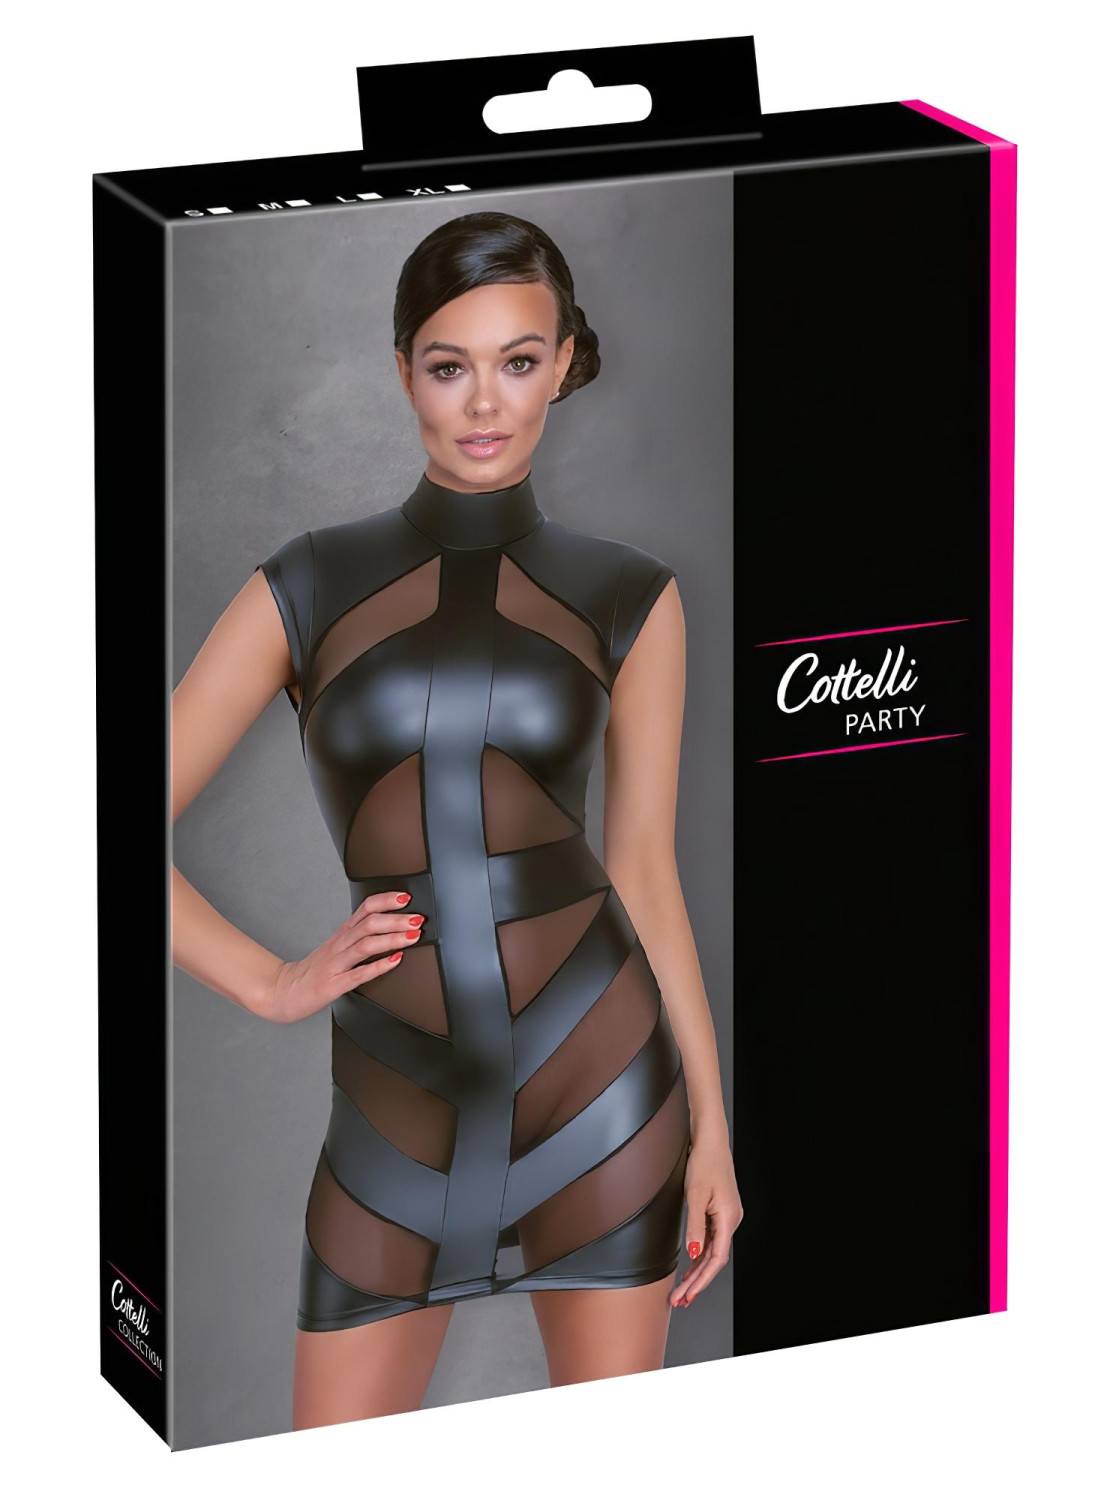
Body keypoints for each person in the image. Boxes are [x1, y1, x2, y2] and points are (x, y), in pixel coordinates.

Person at [171, 210, 743, 1429]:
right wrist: (268, 983)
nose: (486, 402)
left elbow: (644, 871)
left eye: (519, 361)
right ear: (403, 372)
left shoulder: (633, 596)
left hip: (604, 1094)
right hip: (397, 1111)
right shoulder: (305, 586)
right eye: (449, 365)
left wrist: (713, 1131)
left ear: (562, 363)